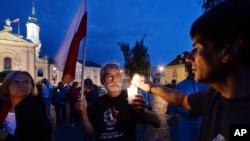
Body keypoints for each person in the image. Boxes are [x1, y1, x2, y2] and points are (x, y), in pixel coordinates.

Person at [132, 0, 250, 140]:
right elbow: (184, 100)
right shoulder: (214, 95)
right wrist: (151, 87)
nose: (189, 58)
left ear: (229, 50)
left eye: (198, 48)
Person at [76, 63, 161, 141]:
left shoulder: (132, 98)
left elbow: (157, 123)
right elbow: (91, 134)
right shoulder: (97, 103)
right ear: (102, 81)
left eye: (117, 76)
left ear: (120, 79)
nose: (114, 79)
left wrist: (143, 109)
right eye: (109, 76)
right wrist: (83, 114)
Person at [0, 70, 52, 141]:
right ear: (6, 86)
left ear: (31, 87)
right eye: (16, 82)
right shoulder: (3, 107)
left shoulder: (35, 112)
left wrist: (5, 137)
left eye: (26, 82)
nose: (22, 85)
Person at [169, 62, 208, 141]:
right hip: (186, 122)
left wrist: (202, 110)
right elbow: (177, 103)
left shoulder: (206, 84)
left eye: (192, 65)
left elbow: (210, 100)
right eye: (188, 66)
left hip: (203, 122)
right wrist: (189, 112)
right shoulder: (180, 85)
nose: (190, 68)